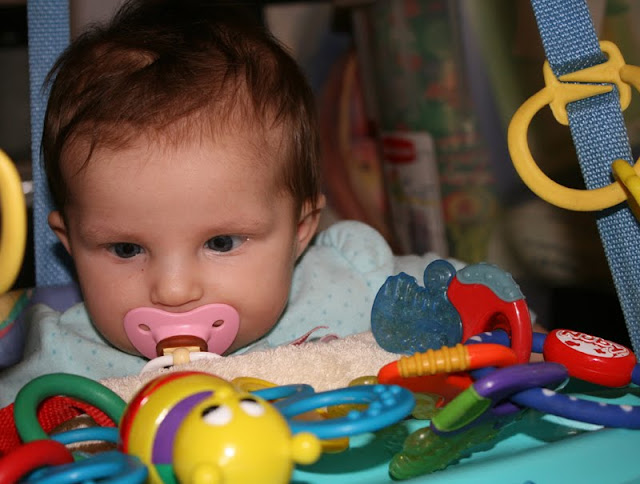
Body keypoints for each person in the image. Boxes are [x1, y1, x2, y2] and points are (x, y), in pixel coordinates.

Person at [0, 0, 504, 407]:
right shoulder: (58, 369)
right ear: (70, 242)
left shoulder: (355, 283)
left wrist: (509, 322)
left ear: (301, 230)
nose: (173, 290)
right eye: (126, 249)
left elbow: (477, 296)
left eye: (221, 242)